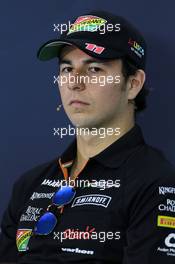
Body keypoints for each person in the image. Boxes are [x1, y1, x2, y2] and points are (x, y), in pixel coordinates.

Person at [0, 10, 175, 264]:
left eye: (94, 69)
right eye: (67, 68)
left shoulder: (156, 184)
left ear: (133, 84)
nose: (75, 82)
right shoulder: (29, 184)